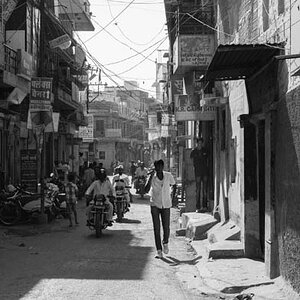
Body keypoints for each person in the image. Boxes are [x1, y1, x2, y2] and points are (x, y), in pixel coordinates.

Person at [144, 159, 177, 259]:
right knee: (156, 228)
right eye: (156, 167)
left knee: (166, 226)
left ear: (162, 167)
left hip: (166, 204)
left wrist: (173, 196)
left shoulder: (168, 175)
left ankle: (165, 242)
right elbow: (145, 190)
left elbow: (174, 185)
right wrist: (150, 178)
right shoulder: (152, 177)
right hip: (154, 203)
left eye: (160, 167)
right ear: (155, 167)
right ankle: (159, 250)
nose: (158, 169)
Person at [190, 137, 209, 213]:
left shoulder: (205, 151)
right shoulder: (194, 152)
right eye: (199, 143)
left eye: (201, 143)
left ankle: (204, 206)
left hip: (205, 172)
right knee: (198, 190)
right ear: (197, 143)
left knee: (204, 190)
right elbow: (191, 162)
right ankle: (198, 207)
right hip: (197, 172)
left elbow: (208, 160)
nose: (200, 145)